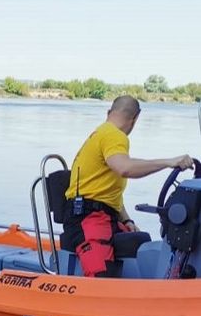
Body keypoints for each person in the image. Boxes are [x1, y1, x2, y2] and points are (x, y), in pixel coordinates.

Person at [64, 94, 193, 277]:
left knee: (141, 241)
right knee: (101, 276)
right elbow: (125, 168)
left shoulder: (100, 133)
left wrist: (126, 220)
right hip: (88, 218)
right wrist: (169, 162)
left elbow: (106, 192)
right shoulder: (114, 135)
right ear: (135, 119)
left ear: (109, 112)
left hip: (101, 215)